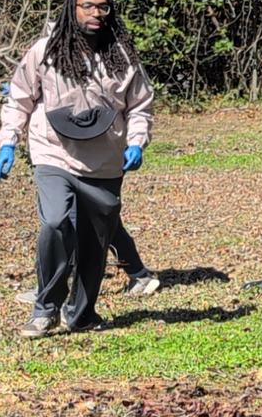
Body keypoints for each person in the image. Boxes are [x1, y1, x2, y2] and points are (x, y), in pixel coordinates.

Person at [0, 0, 156, 339]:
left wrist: (136, 143)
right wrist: (8, 142)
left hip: (105, 160)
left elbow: (140, 106)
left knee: (95, 244)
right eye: (87, 6)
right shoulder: (44, 51)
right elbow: (19, 98)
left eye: (102, 7)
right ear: (72, 9)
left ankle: (81, 314)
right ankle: (45, 309)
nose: (96, 13)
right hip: (53, 152)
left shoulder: (124, 57)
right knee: (54, 222)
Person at [10, 82, 162, 303]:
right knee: (93, 218)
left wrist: (136, 142)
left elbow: (136, 102)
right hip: (57, 150)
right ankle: (138, 274)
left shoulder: (110, 58)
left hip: (94, 150)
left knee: (79, 218)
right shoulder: (46, 54)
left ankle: (50, 288)